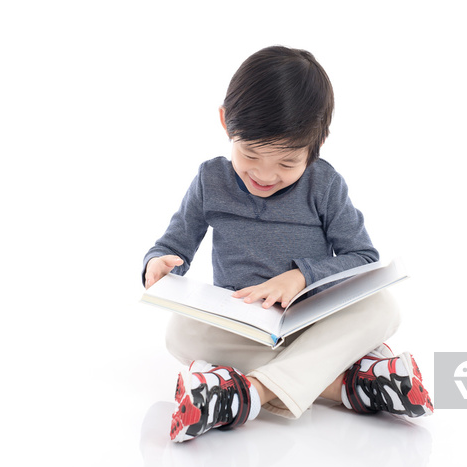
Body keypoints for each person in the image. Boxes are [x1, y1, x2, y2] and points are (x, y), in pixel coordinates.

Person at [142, 45, 434, 443]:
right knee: (180, 333)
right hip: (244, 325)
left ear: (318, 143)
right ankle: (350, 385)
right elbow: (174, 243)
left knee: (382, 308)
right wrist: (159, 263)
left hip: (313, 321)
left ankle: (246, 394)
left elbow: (363, 258)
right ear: (226, 123)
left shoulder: (324, 185)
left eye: (286, 163)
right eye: (250, 154)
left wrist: (301, 276)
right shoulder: (210, 181)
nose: (264, 175)